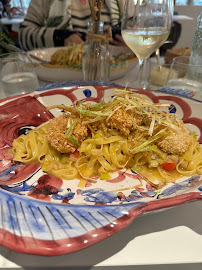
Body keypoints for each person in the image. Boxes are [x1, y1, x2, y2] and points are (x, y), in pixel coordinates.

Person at [19, 0, 125, 51]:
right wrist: (59, 37)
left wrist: (125, 38)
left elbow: (134, 28)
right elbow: (23, 36)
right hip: (58, 80)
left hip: (118, 76)